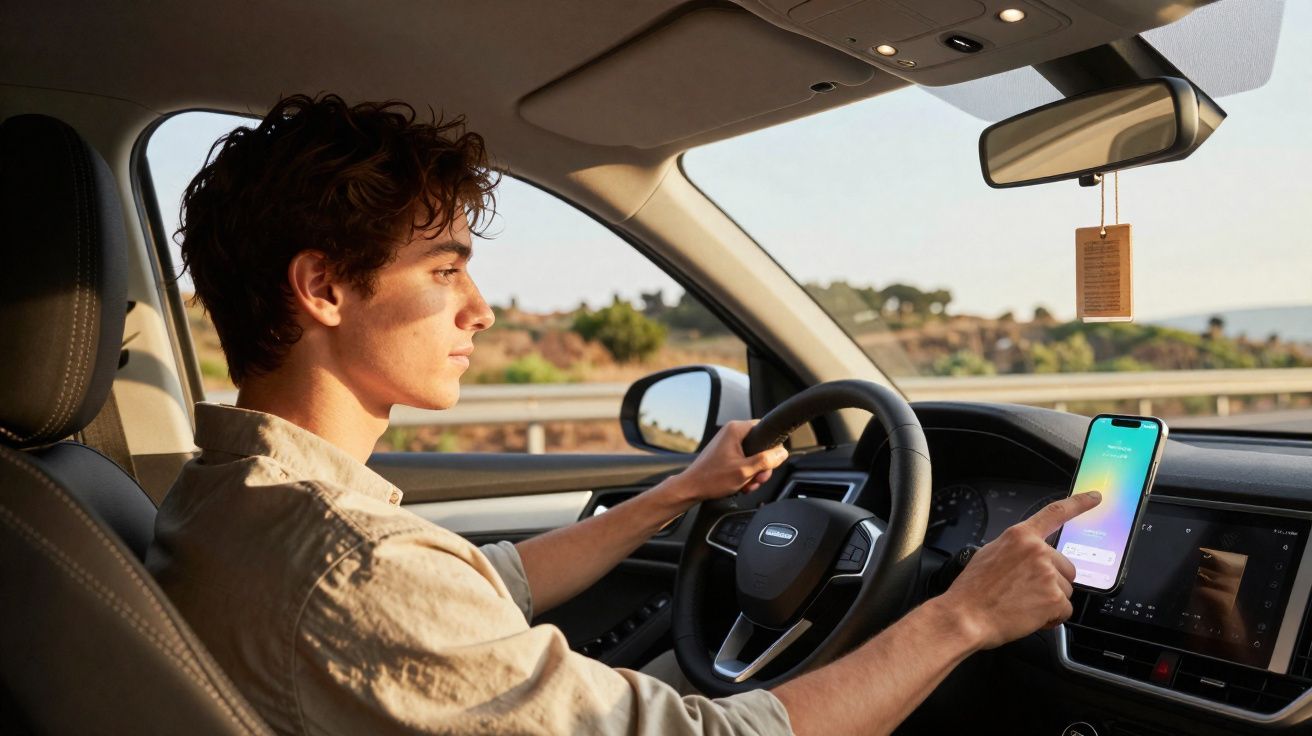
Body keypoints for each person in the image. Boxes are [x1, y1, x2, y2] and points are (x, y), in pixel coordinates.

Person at [147, 93, 1101, 736]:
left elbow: (479, 587)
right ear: (322, 287)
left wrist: (677, 495)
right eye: (444, 271)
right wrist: (962, 617)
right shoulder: (352, 569)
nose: (479, 309)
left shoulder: (231, 499)